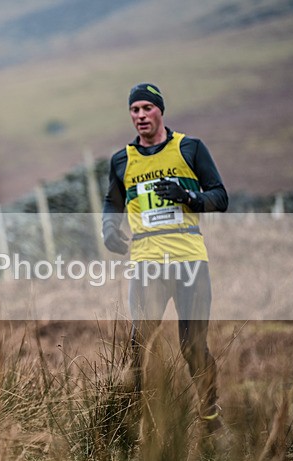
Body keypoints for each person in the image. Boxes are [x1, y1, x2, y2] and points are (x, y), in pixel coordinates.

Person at [102, 83, 229, 433]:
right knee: (139, 343)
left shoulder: (190, 148)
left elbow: (220, 197)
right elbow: (111, 203)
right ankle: (138, 421)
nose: (140, 116)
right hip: (146, 260)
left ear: (160, 111)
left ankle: (210, 418)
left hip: (189, 259)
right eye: (134, 110)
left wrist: (187, 195)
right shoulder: (122, 160)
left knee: (192, 346)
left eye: (147, 108)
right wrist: (109, 231)